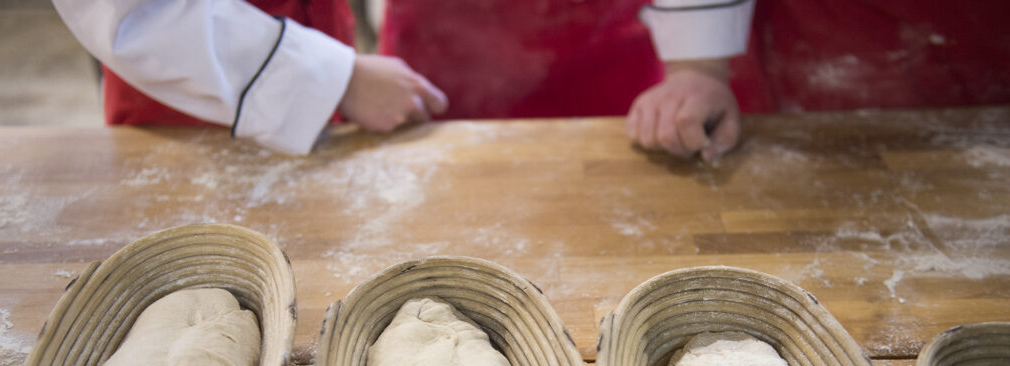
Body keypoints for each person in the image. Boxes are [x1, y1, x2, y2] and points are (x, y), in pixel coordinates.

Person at [50, 0, 754, 159]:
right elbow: (131, 13)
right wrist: (325, 77)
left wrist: (698, 62)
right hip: (190, 77)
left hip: (314, 44)